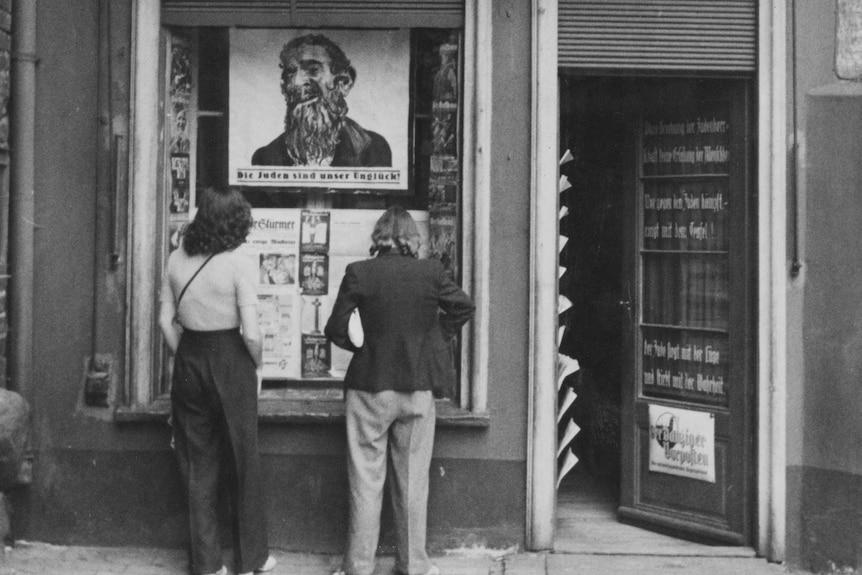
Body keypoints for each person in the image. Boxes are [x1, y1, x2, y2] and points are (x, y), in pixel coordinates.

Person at [325, 207, 475, 575]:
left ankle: (358, 567)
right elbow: (463, 307)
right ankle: (413, 566)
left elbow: (335, 328)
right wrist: (436, 337)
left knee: (365, 480)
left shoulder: (359, 272)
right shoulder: (431, 273)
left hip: (368, 386)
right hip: (416, 387)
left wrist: (360, 346)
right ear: (412, 238)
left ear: (380, 238)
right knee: (412, 481)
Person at [158, 187, 276, 575]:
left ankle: (207, 566)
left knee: (198, 466)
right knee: (244, 461)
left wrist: (187, 357)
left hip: (190, 356)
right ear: (235, 223)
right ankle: (251, 560)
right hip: (230, 360)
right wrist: (257, 367)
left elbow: (164, 320)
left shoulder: (176, 258)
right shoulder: (238, 263)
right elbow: (253, 334)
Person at [252, 33, 392, 168]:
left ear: (344, 83)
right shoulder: (265, 158)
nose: (298, 82)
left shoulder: (373, 150)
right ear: (284, 87)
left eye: (313, 70)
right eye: (290, 73)